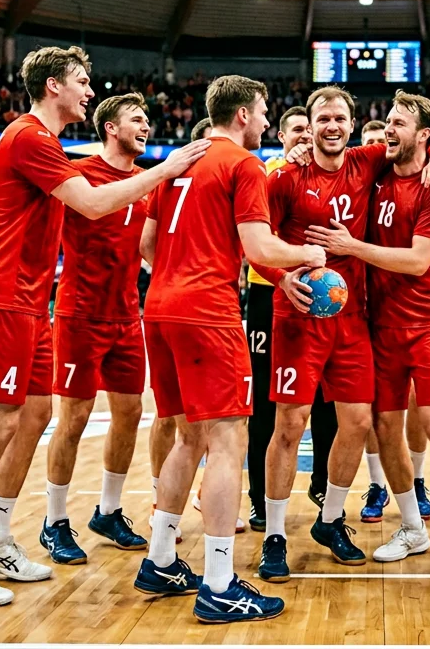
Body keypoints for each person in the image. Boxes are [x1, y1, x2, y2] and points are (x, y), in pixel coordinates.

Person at [0, 45, 210, 609]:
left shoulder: (44, 147)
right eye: (81, 80)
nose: (88, 88)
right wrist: (167, 168)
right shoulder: (30, 136)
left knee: (34, 416)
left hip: (33, 302)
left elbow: (8, 196)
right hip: (2, 296)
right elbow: (94, 204)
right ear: (53, 85)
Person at [134, 74, 323, 624]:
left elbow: (147, 245)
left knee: (187, 438)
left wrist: (182, 273)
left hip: (161, 308)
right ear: (243, 114)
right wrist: (308, 254)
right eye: (264, 112)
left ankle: (162, 558)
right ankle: (218, 583)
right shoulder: (243, 165)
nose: (266, 122)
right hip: (207, 314)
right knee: (226, 439)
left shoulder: (179, 160)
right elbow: (259, 244)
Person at [248, 86, 430, 580]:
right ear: (309, 125)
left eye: (340, 117)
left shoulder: (367, 161)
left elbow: (417, 139)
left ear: (353, 124)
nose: (331, 126)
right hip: (297, 314)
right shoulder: (285, 178)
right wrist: (282, 277)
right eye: (323, 118)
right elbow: (255, 244)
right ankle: (275, 534)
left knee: (358, 423)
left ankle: (331, 519)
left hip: (352, 316)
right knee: (290, 425)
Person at [307, 91, 430, 576]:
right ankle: (412, 527)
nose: (388, 129)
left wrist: (352, 246)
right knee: (384, 428)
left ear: (424, 135)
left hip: (428, 322)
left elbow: (415, 260)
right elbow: (333, 156)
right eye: (387, 121)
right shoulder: (380, 172)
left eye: (399, 123)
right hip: (380, 324)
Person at [32, 93, 171, 565]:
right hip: (79, 314)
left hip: (126, 314)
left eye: (147, 119)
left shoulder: (144, 184)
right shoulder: (78, 172)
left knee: (131, 413)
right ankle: (53, 521)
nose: (146, 125)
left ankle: (108, 511)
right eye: (137, 118)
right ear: (111, 127)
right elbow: (25, 198)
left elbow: (149, 248)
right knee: (73, 418)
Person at [243, 106, 319, 534]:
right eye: (297, 131)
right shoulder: (266, 172)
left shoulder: (328, 171)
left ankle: (322, 488)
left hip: (318, 295)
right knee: (264, 405)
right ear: (283, 137)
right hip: (266, 293)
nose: (306, 137)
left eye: (310, 130)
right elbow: (252, 242)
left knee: (323, 400)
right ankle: (258, 499)